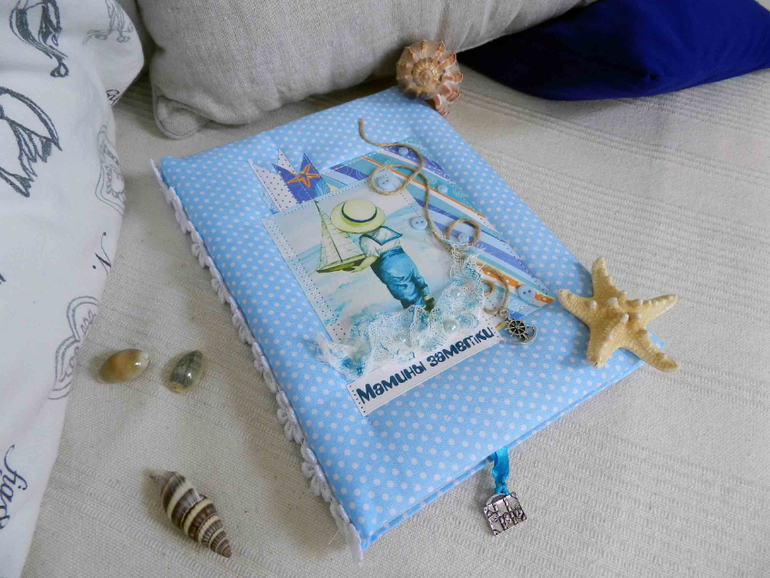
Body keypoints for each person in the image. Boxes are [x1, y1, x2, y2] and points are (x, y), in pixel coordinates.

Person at [330, 198, 435, 311]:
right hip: (404, 259)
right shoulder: (385, 230)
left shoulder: (365, 240)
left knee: (404, 290)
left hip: (390, 268)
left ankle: (420, 308)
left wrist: (361, 266)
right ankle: (427, 298)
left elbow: (372, 257)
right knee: (417, 278)